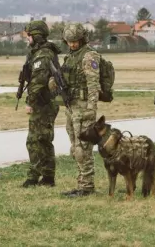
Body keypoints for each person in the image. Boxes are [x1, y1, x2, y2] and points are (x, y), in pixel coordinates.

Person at [60, 22, 100, 197]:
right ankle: (81, 183)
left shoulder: (89, 56)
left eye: (76, 41)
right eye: (69, 41)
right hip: (71, 106)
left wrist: (91, 108)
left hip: (83, 107)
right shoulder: (71, 56)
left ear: (82, 39)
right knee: (75, 147)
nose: (73, 44)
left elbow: (93, 85)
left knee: (83, 148)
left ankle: (87, 187)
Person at [21, 20, 61, 188]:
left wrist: (30, 102)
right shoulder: (41, 52)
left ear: (36, 36)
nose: (27, 38)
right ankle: (48, 177)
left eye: (29, 35)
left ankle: (34, 176)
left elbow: (38, 82)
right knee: (44, 140)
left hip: (42, 103)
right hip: (47, 102)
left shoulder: (42, 55)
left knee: (34, 141)